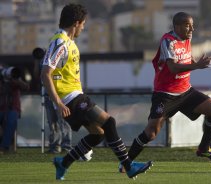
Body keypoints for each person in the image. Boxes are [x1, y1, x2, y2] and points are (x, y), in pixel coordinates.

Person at [41, 3, 152, 180]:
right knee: (109, 122)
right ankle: (129, 166)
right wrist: (58, 103)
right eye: (83, 23)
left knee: (98, 134)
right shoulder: (60, 42)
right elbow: (45, 73)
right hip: (70, 99)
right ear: (76, 23)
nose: (84, 27)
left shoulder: (68, 43)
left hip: (73, 97)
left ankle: (63, 163)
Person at [119, 12, 211, 171]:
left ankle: (204, 149)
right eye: (188, 25)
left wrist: (197, 63)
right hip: (165, 95)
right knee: (151, 133)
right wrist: (197, 66)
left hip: (186, 91)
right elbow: (173, 67)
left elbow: (186, 60)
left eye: (192, 25)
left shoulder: (187, 38)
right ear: (177, 26)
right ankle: (126, 163)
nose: (192, 29)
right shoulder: (168, 41)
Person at [32, 47, 72, 154]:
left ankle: (66, 145)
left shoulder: (56, 59)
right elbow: (37, 76)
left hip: (59, 94)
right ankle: (55, 146)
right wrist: (37, 61)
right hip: (47, 94)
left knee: (63, 120)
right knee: (52, 121)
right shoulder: (42, 62)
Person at [0, 65, 29, 154]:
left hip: (13, 108)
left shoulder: (14, 80)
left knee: (11, 121)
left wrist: (16, 80)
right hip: (1, 108)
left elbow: (26, 87)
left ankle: (4, 147)